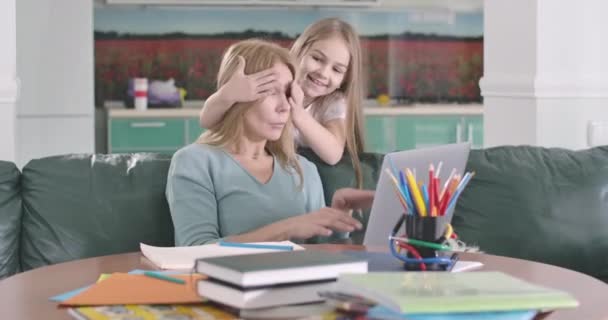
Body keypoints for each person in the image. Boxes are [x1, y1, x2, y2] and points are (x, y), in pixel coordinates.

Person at [166, 39, 362, 246]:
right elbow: (193, 250)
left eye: (288, 93)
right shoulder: (195, 162)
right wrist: (286, 229)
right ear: (236, 95)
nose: (285, 107)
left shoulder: (302, 169)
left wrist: (339, 221)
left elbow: (320, 249)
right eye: (270, 91)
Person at [199, 17, 366, 188]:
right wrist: (228, 94)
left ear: (345, 79)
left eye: (337, 70)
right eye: (317, 59)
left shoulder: (332, 103)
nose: (323, 73)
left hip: (294, 180)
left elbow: (333, 154)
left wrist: (299, 115)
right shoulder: (279, 82)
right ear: (300, 50)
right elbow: (207, 121)